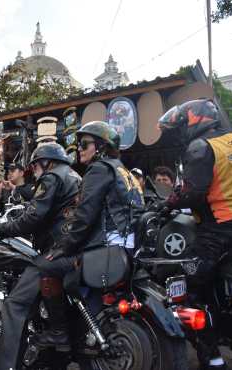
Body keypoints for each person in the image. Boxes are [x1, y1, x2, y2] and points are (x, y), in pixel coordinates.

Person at [158, 99, 232, 370]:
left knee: (188, 289)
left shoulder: (200, 146)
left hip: (221, 227)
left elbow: (194, 192)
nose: (181, 132)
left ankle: (212, 359)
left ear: (195, 120)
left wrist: (167, 203)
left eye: (182, 125)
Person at [35, 121, 143, 350]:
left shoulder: (100, 169)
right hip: (127, 246)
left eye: (84, 144)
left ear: (101, 148)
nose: (79, 149)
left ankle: (59, 332)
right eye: (78, 144)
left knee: (46, 266)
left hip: (105, 247)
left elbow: (84, 216)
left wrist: (63, 247)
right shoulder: (123, 170)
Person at [0, 143, 80, 370]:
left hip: (59, 249)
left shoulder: (52, 177)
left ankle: (7, 366)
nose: (34, 170)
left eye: (35, 165)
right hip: (77, 246)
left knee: (15, 304)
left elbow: (34, 216)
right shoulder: (75, 175)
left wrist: (3, 229)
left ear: (46, 161)